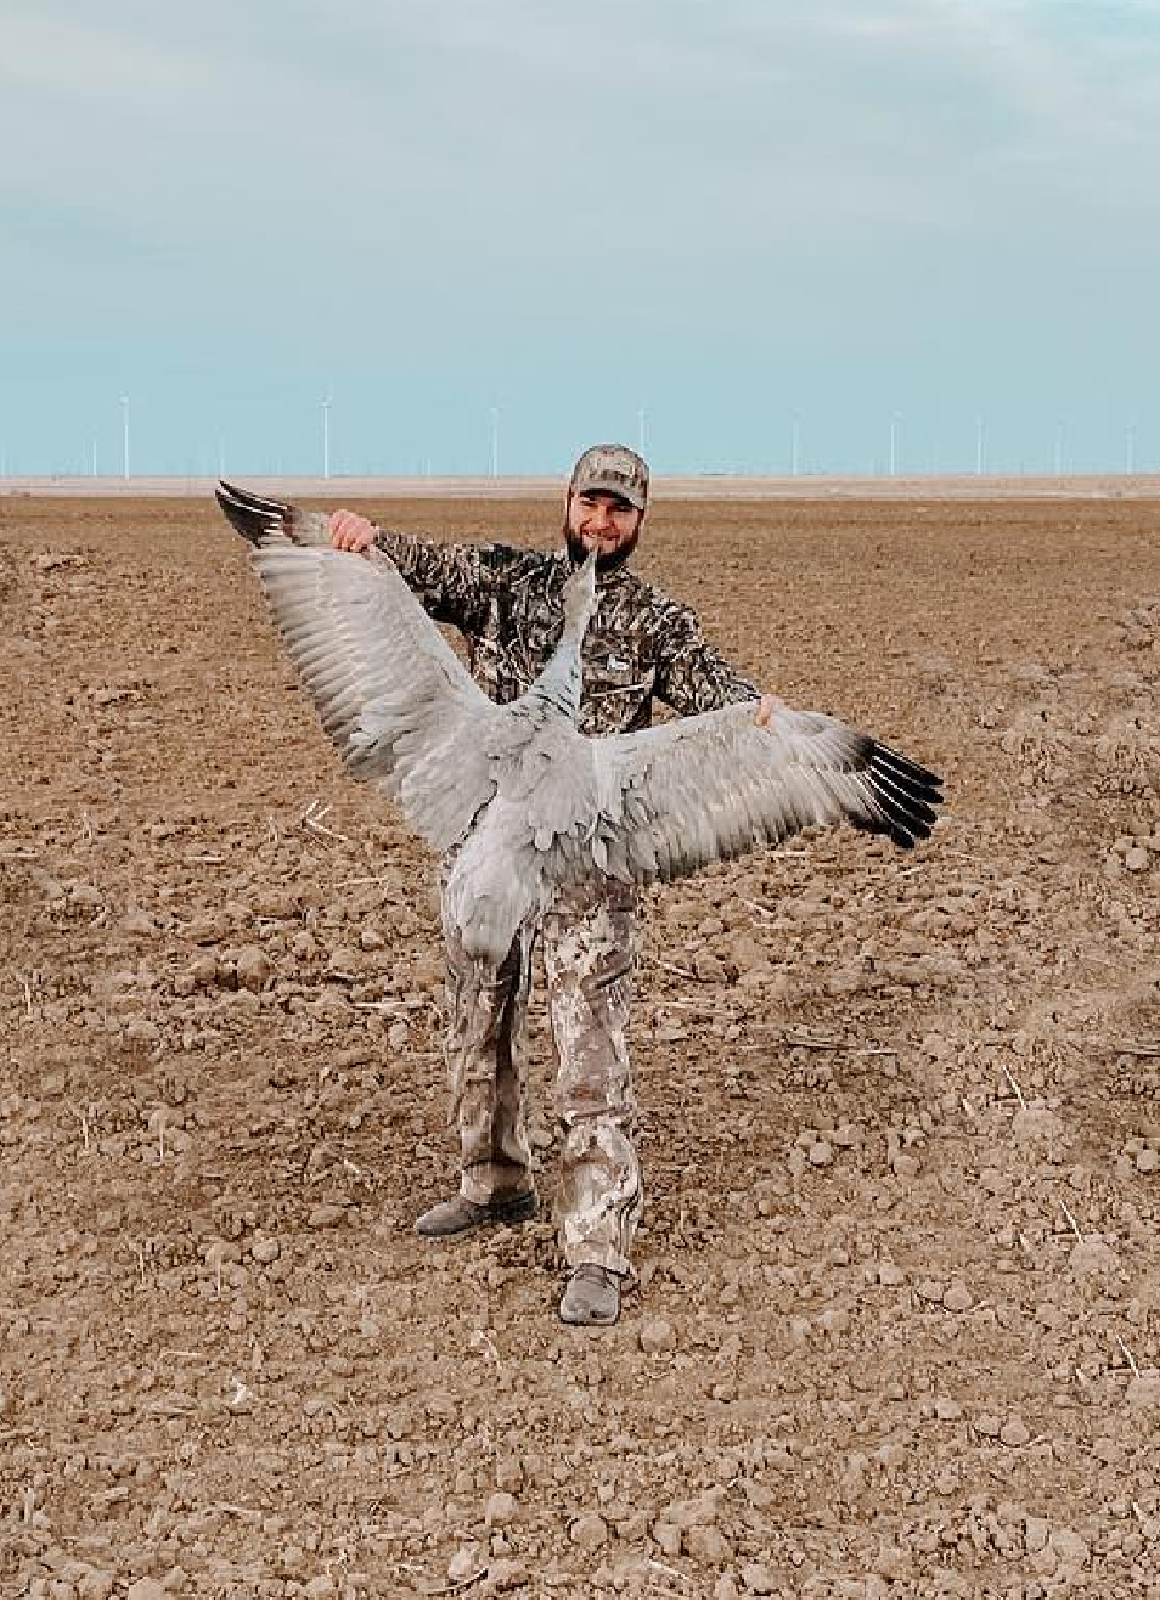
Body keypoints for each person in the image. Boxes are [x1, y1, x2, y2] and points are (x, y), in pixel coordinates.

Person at [328, 444, 772, 1326]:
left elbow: (723, 701)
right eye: (590, 504)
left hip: (586, 878)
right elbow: (423, 569)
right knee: (479, 1026)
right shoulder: (507, 583)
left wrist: (760, 712)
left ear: (640, 521)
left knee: (589, 1059)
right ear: (566, 501)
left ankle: (597, 1249)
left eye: (620, 511)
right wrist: (365, 539)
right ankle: (492, 1182)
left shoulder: (654, 622)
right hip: (489, 857)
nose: (601, 523)